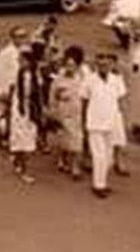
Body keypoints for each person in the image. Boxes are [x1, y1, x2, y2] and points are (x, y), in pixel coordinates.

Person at [81, 53, 125, 199]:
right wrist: (83, 121)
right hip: (94, 123)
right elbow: (84, 101)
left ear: (111, 65)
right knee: (99, 156)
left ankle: (102, 181)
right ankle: (98, 186)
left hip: (111, 122)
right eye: (100, 64)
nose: (103, 67)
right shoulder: (89, 80)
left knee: (109, 158)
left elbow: (120, 101)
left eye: (106, 64)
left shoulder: (116, 80)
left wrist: (119, 121)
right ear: (96, 65)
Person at [4, 44, 42, 184]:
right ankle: (19, 163)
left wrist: (40, 110)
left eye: (23, 60)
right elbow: (11, 91)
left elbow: (38, 95)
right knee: (18, 139)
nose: (21, 62)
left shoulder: (35, 76)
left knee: (28, 142)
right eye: (20, 60)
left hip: (30, 111)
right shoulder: (16, 74)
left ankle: (25, 168)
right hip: (18, 110)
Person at [50, 46, 86, 179]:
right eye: (68, 65)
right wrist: (53, 110)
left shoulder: (83, 76)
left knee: (77, 139)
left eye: (73, 65)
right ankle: (62, 158)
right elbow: (52, 95)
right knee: (63, 138)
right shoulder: (59, 77)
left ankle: (75, 167)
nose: (70, 68)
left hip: (78, 113)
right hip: (62, 111)